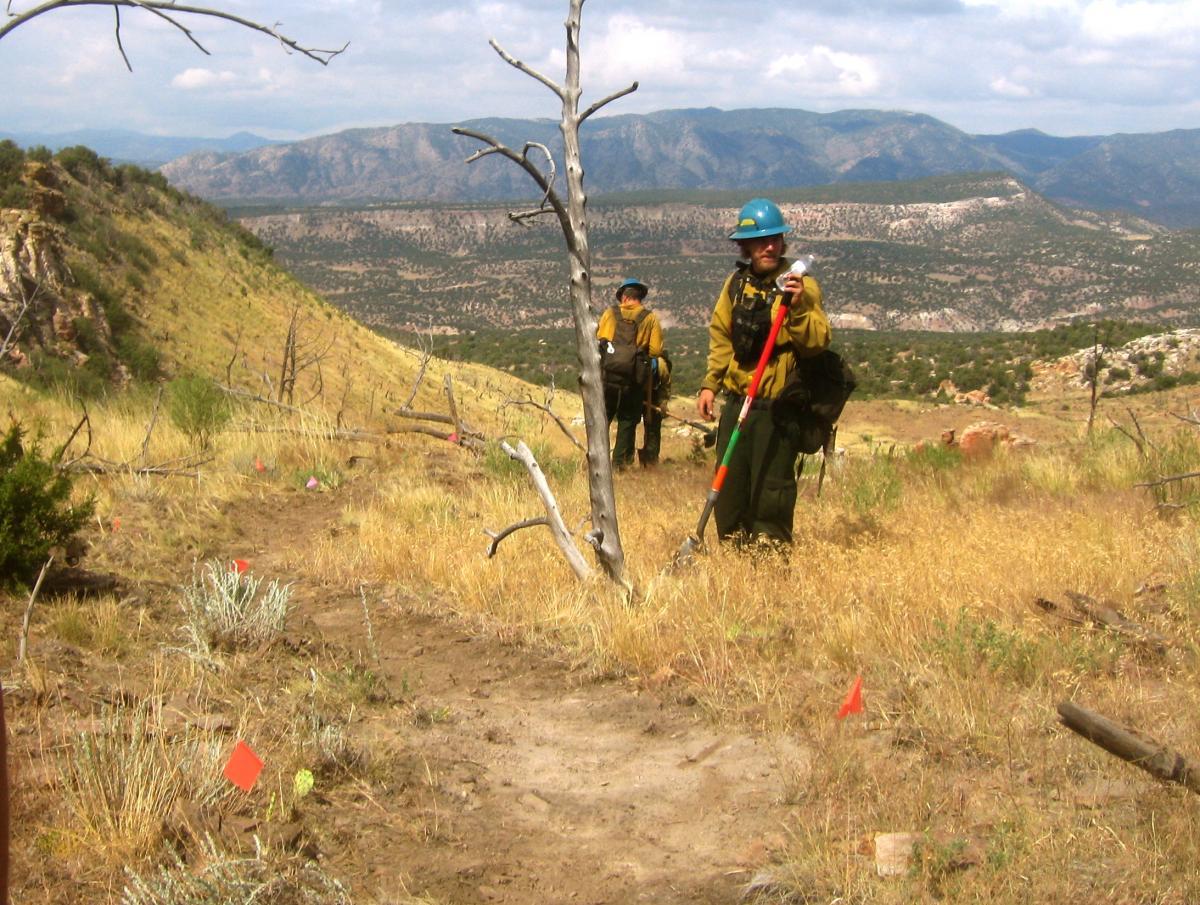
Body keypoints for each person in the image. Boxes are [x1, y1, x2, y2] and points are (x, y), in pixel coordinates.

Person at [697, 198, 831, 544]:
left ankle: (770, 555)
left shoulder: (799, 286)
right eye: (760, 241)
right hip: (738, 401)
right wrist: (710, 384)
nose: (769, 246)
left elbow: (817, 341)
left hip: (776, 407)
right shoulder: (735, 285)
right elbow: (720, 334)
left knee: (771, 489)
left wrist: (798, 307)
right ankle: (733, 551)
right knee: (729, 487)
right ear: (746, 246)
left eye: (775, 239)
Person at [597, 278, 663, 469]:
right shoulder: (649, 318)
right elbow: (656, 351)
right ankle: (619, 465)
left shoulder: (610, 313)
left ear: (624, 297)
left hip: (608, 377)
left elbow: (600, 339)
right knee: (627, 421)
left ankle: (598, 463)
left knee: (603, 419)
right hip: (633, 380)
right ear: (639, 298)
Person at [639, 349, 671, 467]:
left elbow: (665, 385)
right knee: (630, 425)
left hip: (653, 396)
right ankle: (625, 461)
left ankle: (651, 460)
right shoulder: (636, 359)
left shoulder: (660, 364)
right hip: (635, 393)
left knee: (652, 427)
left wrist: (663, 403)